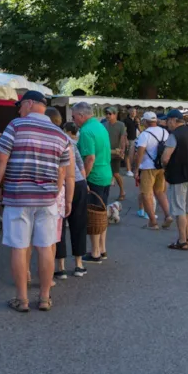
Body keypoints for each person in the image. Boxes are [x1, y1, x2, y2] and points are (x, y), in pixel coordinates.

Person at [0, 91, 73, 312]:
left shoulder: (16, 126)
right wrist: (54, 192)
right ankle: (45, 297)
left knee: (19, 246)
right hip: (47, 199)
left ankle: (22, 299)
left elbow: (1, 158)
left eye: (20, 105)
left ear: (29, 104)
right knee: (46, 247)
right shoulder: (61, 135)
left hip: (18, 196)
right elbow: (62, 172)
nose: (18, 110)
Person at [46, 110, 89, 279]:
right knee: (79, 223)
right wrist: (84, 184)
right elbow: (80, 164)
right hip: (78, 183)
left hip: (60, 184)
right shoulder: (68, 140)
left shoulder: (49, 139)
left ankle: (61, 266)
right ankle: (79, 264)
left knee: (59, 225)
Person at [72, 102, 112, 263]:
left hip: (94, 176)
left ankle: (95, 252)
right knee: (102, 213)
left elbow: (89, 158)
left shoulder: (86, 131)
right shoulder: (100, 126)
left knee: (93, 215)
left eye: (74, 117)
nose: (74, 120)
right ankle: (102, 248)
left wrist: (83, 178)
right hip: (105, 173)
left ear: (82, 115)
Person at [162, 109, 188, 250]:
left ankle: (182, 240)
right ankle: (187, 236)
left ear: (173, 120)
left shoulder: (174, 136)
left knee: (179, 208)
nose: (167, 124)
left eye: (168, 121)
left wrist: (162, 164)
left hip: (178, 175)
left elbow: (166, 157)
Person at [134, 111, 172, 230]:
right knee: (160, 192)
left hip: (147, 167)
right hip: (161, 167)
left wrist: (136, 169)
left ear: (145, 121)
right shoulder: (164, 132)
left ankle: (153, 222)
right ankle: (168, 215)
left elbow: (140, 153)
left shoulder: (144, 134)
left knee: (147, 193)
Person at [102, 107, 128, 201]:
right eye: (107, 113)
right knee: (106, 173)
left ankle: (122, 191)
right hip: (105, 152)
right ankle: (105, 192)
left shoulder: (120, 125)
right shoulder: (104, 124)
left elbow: (122, 138)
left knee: (116, 173)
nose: (108, 115)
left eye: (110, 113)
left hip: (116, 152)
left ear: (115, 114)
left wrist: (122, 150)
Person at [124, 107, 139, 177]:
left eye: (135, 112)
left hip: (134, 139)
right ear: (129, 112)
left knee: (132, 154)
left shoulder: (135, 120)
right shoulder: (126, 120)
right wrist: (126, 139)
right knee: (128, 154)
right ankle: (128, 168)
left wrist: (138, 123)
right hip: (129, 139)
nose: (134, 113)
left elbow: (139, 129)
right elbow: (124, 131)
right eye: (133, 112)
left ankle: (130, 168)